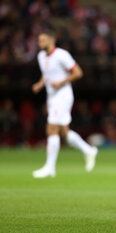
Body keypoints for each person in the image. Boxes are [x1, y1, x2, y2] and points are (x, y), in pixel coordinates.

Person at [32, 31, 98, 178]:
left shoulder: (62, 55)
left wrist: (61, 82)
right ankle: (89, 150)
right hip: (51, 96)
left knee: (51, 128)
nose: (39, 43)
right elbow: (46, 73)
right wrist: (40, 84)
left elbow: (78, 72)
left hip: (63, 96)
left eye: (43, 40)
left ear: (51, 40)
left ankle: (50, 168)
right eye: (38, 40)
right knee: (63, 132)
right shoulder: (41, 56)